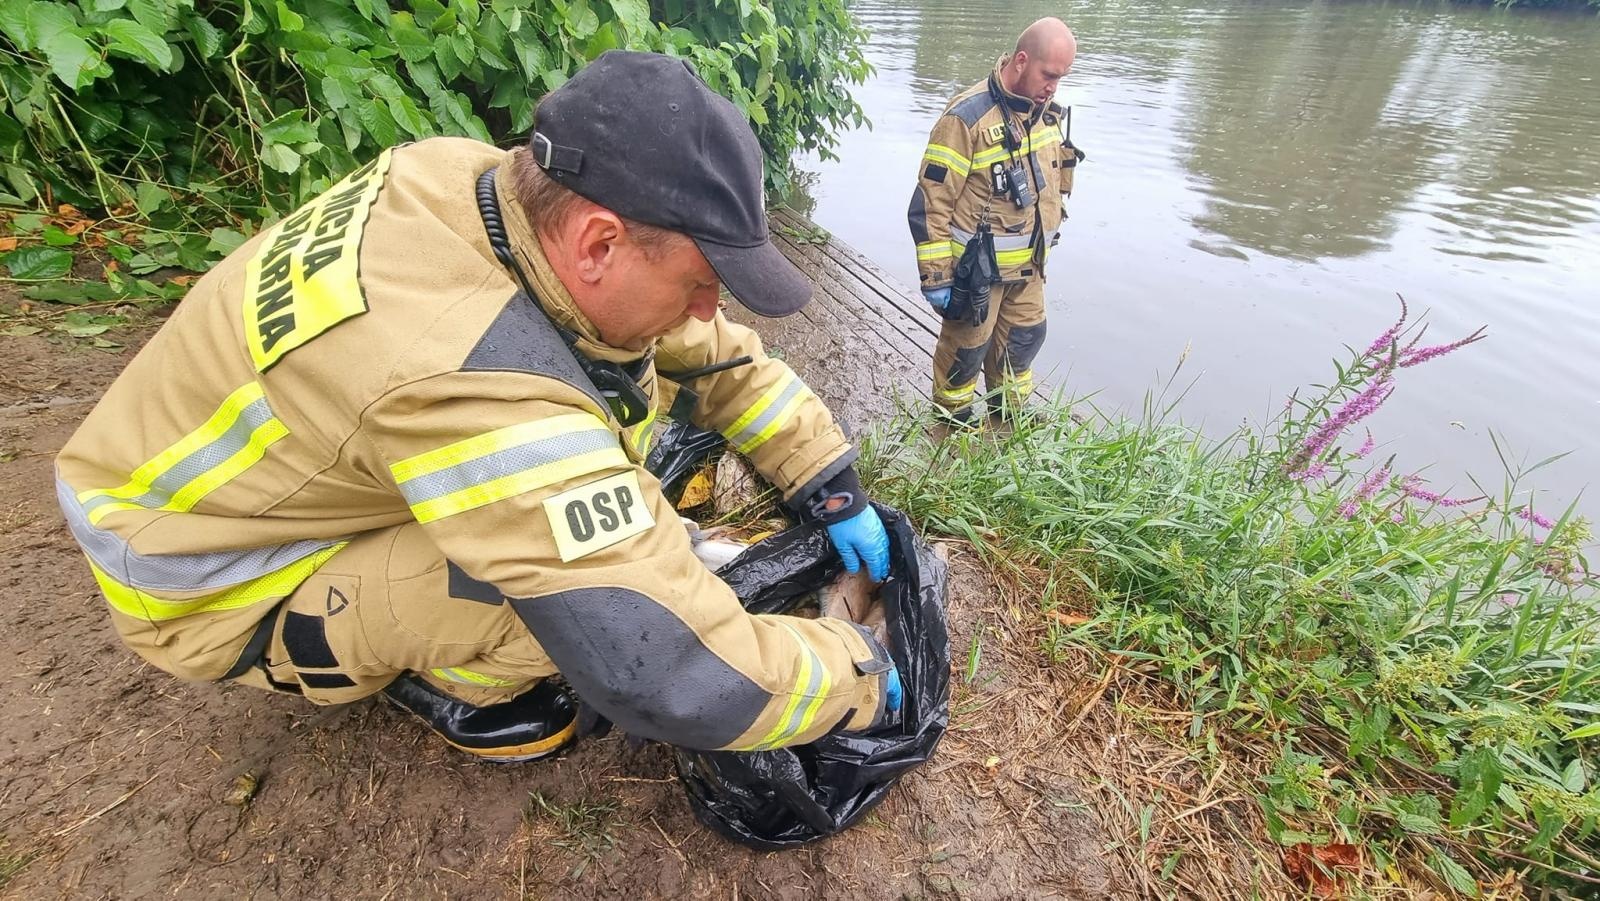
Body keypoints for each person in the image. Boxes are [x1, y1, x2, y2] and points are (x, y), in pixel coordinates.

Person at [55, 51, 902, 763]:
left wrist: (824, 476)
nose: (707, 309)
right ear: (600, 241)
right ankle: (446, 684)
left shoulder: (474, 182)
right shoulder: (467, 373)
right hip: (210, 584)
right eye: (698, 283)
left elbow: (707, 351)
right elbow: (666, 669)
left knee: (641, 368)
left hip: (219, 475)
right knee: (563, 613)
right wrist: (855, 673)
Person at [907, 17, 1083, 426]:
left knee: (1023, 345)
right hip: (976, 276)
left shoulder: (1046, 115)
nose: (1053, 87)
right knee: (963, 358)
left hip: (1030, 269)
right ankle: (951, 429)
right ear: (1021, 61)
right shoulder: (966, 119)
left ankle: (1009, 424)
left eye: (1061, 77)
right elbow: (931, 202)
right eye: (1049, 75)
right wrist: (937, 278)